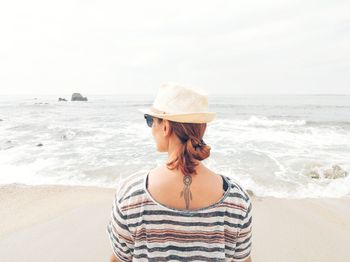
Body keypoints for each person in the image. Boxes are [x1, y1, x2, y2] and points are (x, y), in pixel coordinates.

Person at [106, 83, 253, 262]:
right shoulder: (237, 200)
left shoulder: (131, 195)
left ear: (166, 126)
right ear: (203, 128)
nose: (151, 127)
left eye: (150, 120)